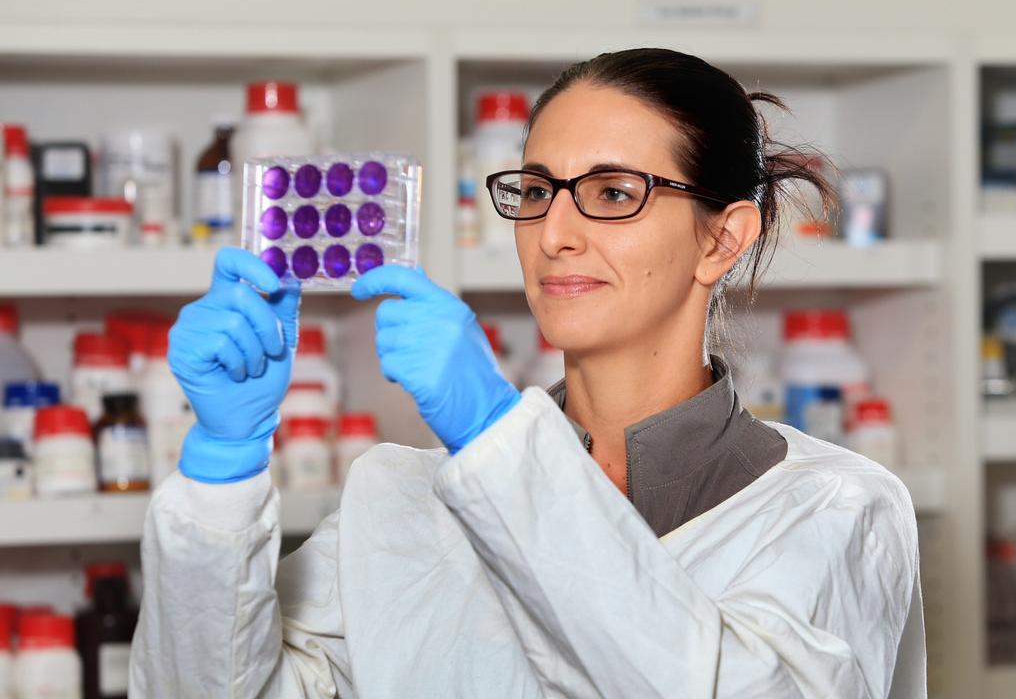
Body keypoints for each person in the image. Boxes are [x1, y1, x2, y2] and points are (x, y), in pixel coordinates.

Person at [131, 48, 926, 698]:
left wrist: (496, 438)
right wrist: (222, 474)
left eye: (613, 192)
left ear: (723, 239)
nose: (555, 233)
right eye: (538, 190)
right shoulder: (401, 502)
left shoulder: (833, 510)